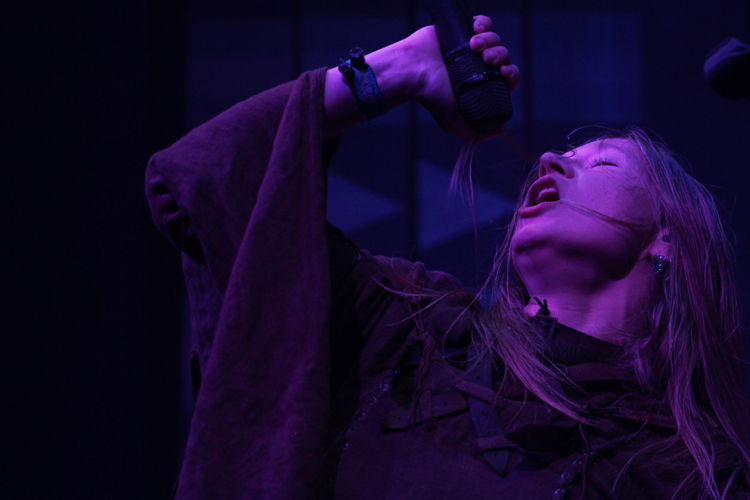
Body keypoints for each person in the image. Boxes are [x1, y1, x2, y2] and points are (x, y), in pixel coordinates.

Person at [146, 15, 750, 500]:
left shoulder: (692, 475)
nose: (550, 161)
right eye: (562, 156)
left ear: (668, 239)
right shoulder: (412, 331)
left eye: (603, 162)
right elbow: (206, 183)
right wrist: (397, 71)